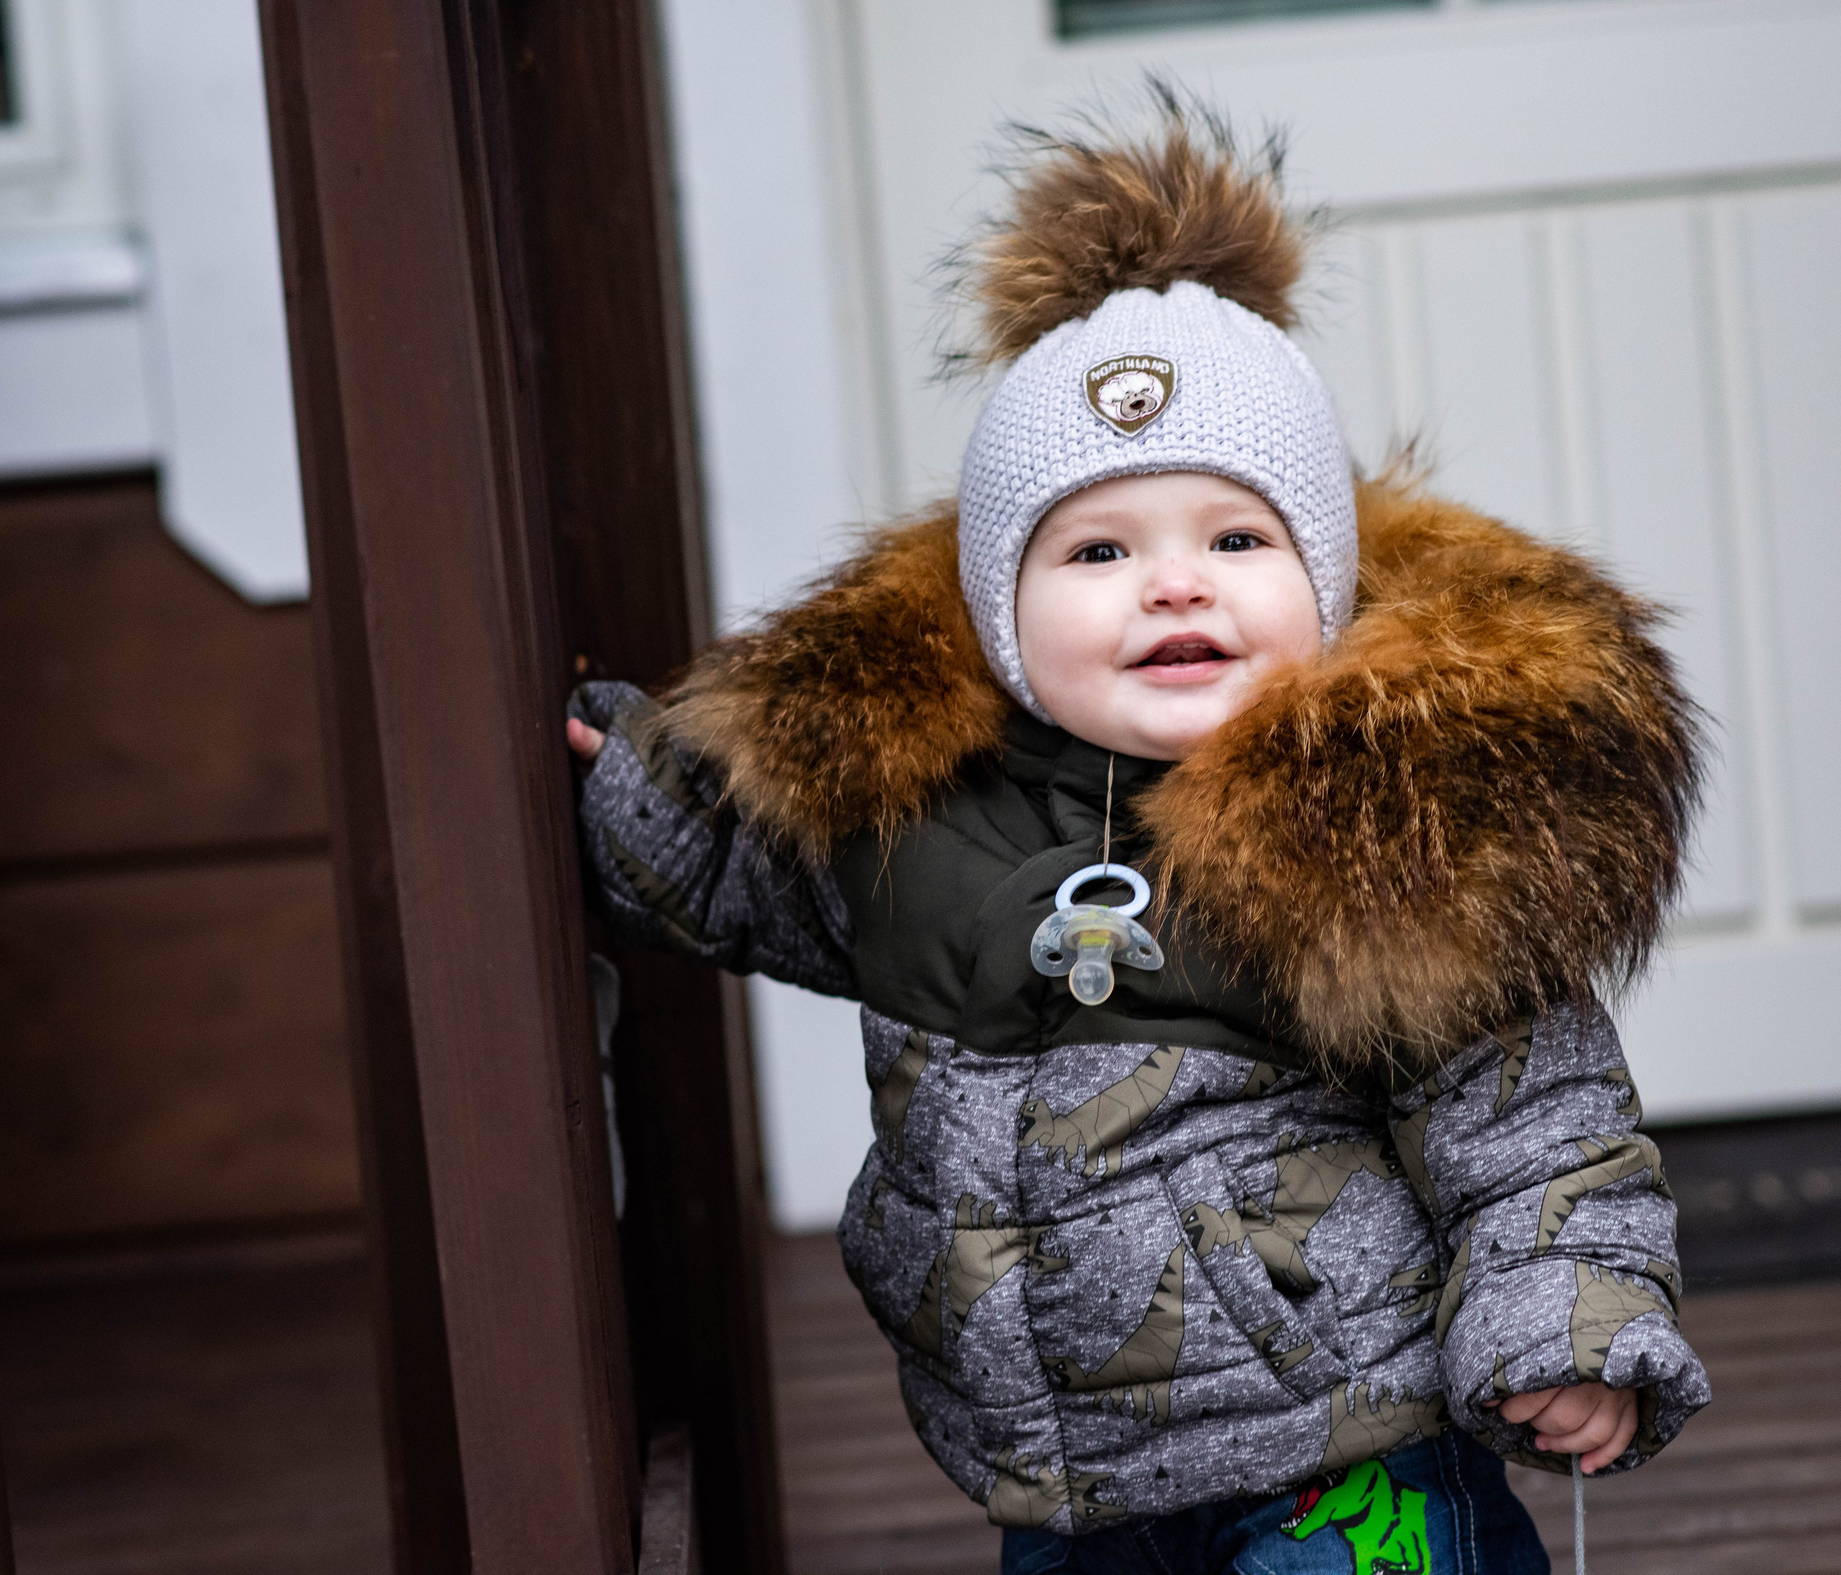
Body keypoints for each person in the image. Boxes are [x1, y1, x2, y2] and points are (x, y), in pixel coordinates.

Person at [566, 94, 1709, 1575]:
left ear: (1325, 582)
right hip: (1067, 1492)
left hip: (1347, 1463)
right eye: (1099, 551)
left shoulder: (1380, 824)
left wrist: (1568, 1319)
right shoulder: (916, 818)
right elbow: (745, 872)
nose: (1175, 587)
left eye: (1237, 541)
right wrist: (625, 790)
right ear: (999, 612)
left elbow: (1534, 1123)